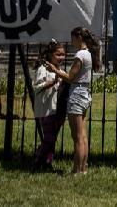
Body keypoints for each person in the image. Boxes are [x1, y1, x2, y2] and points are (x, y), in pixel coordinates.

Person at [47, 27, 101, 175]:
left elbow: (70, 78)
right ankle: (83, 168)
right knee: (82, 135)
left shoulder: (80, 55)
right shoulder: (89, 54)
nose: (71, 42)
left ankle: (77, 169)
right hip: (84, 93)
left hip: (76, 94)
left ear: (78, 37)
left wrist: (54, 70)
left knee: (77, 136)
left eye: (72, 38)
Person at [32, 40, 67, 172]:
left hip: (57, 109)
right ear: (50, 55)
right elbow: (37, 87)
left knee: (52, 139)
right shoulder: (43, 69)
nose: (61, 57)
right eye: (58, 55)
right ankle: (37, 162)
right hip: (46, 109)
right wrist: (52, 82)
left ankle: (47, 162)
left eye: (63, 55)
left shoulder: (60, 70)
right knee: (49, 139)